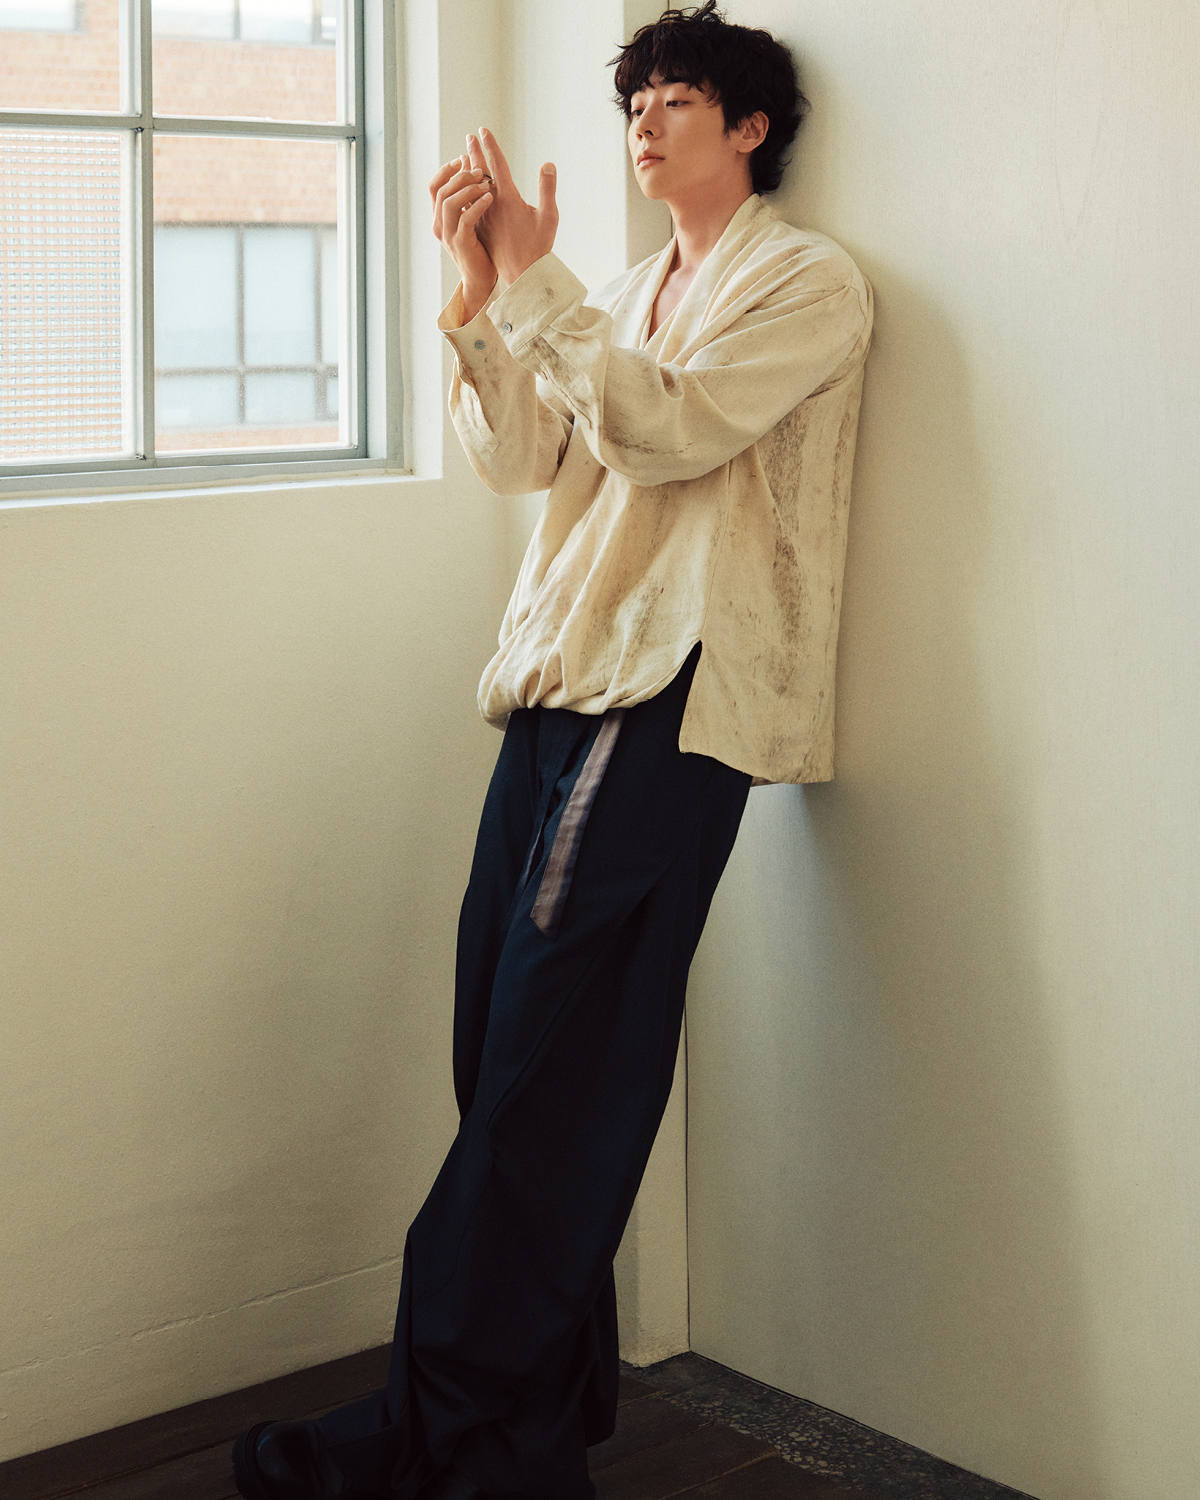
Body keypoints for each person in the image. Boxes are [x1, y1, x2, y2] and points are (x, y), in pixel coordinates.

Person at [232, 5, 872, 1499]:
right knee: (501, 1051)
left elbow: (664, 433)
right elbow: (525, 460)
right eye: (635, 101)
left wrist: (535, 281)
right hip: (560, 680)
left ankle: (445, 1440)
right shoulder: (629, 288)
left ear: (751, 129)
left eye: (677, 99)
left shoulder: (808, 283)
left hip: (669, 699)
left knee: (546, 1070)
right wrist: (482, 291)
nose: (645, 122)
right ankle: (521, 1427)